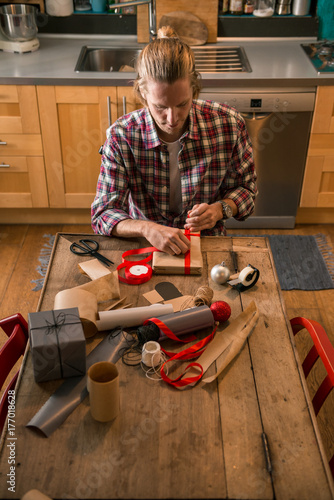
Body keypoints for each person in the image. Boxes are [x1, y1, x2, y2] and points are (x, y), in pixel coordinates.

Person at [91, 26, 257, 256]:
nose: (172, 119)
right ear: (142, 93)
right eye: (160, 106)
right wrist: (147, 228)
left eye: (182, 104)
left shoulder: (228, 124)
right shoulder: (122, 136)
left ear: (195, 90)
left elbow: (247, 190)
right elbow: (103, 214)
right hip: (145, 246)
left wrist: (220, 210)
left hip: (207, 245)